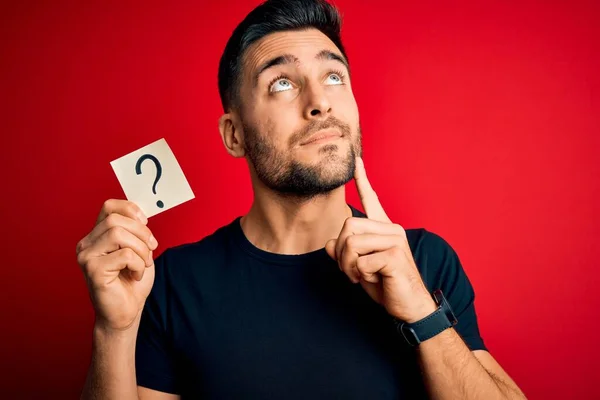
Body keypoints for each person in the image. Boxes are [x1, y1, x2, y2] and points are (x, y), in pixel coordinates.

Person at [77, 0, 526, 398]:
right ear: (234, 135)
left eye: (333, 76)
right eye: (281, 84)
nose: (320, 103)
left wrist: (422, 313)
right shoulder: (171, 283)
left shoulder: (425, 261)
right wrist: (114, 331)